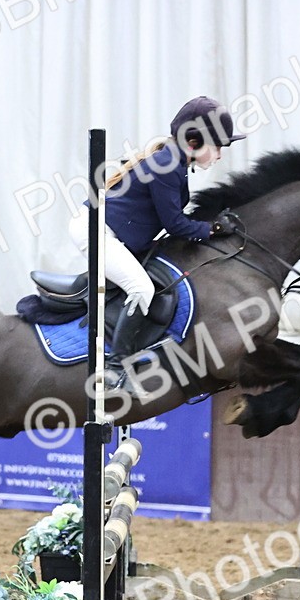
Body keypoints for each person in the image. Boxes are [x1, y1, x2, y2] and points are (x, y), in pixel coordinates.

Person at [69, 96, 244, 390]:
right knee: (142, 288)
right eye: (216, 147)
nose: (219, 155)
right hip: (97, 230)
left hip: (110, 229)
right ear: (192, 142)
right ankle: (113, 369)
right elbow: (175, 224)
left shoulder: (173, 160)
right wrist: (213, 229)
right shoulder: (166, 165)